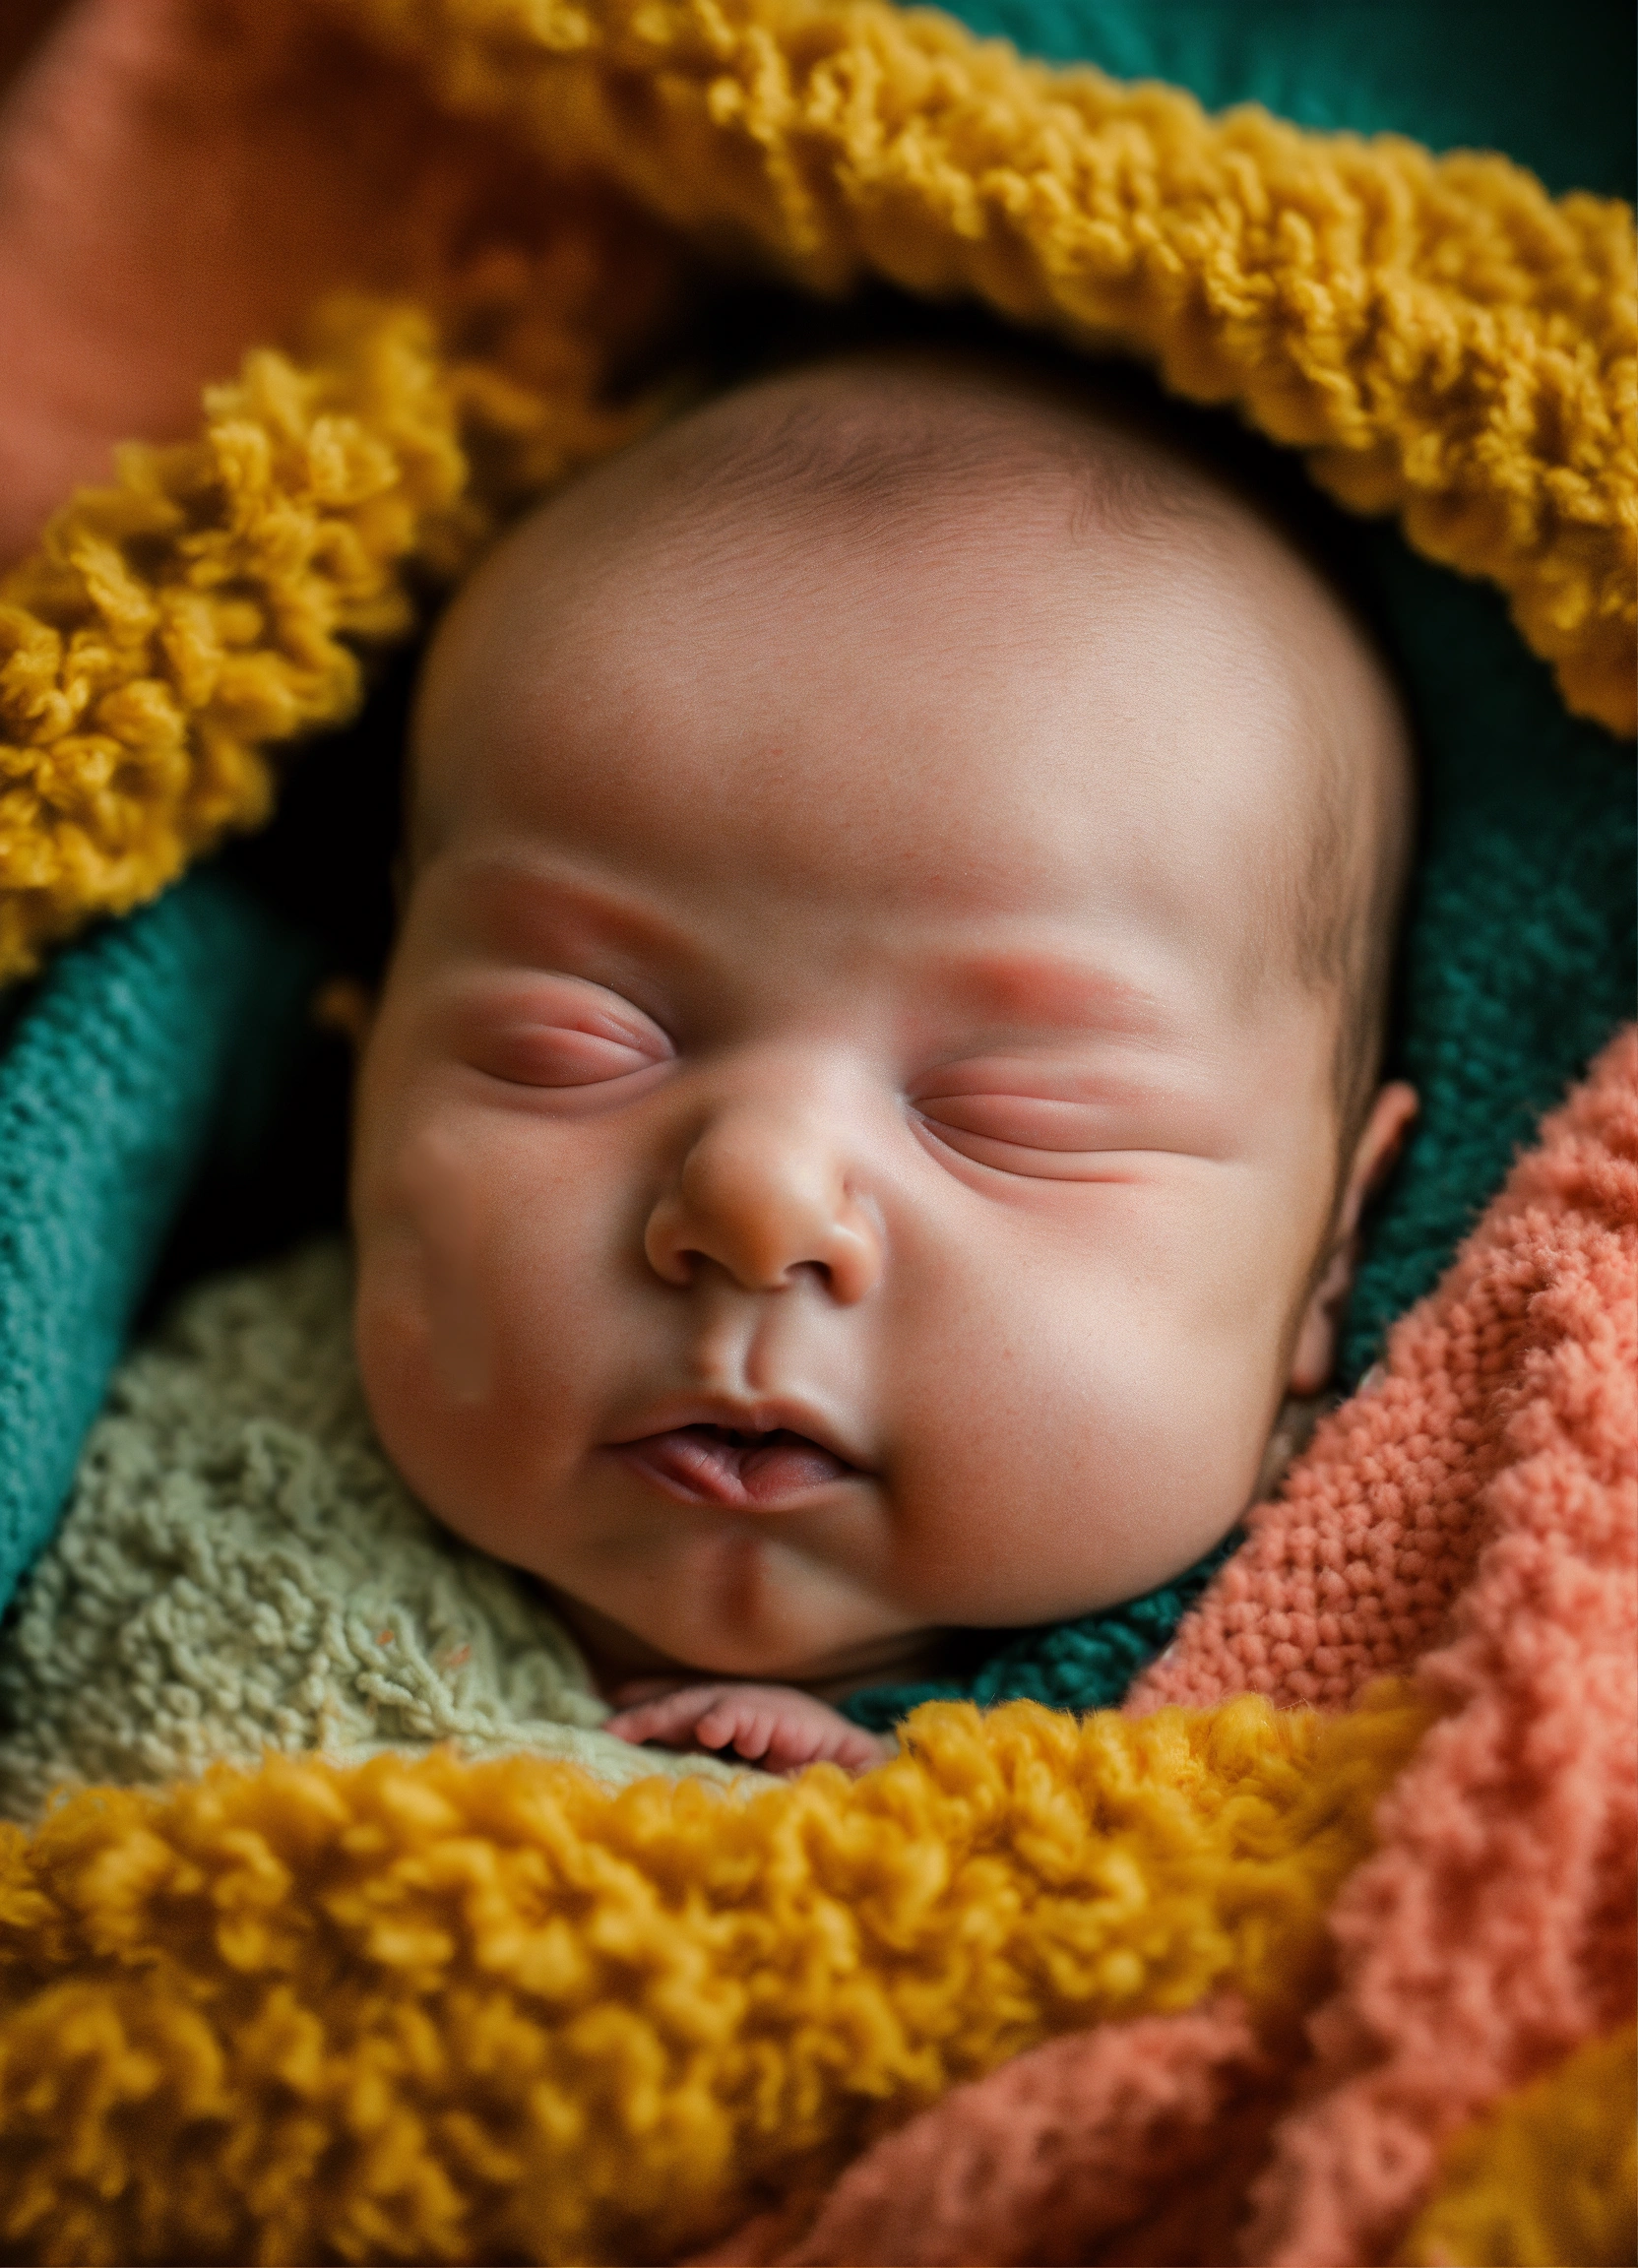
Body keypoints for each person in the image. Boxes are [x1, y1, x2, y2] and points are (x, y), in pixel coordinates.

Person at [346, 348, 1418, 1776]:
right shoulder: (138, 1481)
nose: (757, 1197)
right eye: (575, 1045)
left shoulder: (1371, 1723)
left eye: (1009, 1112)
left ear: (1328, 1253)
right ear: (356, 1103)